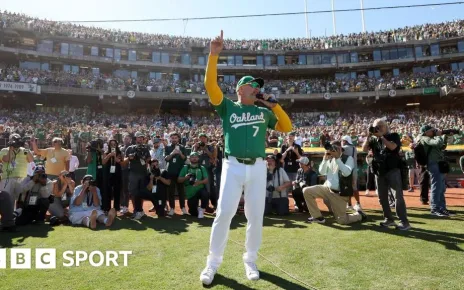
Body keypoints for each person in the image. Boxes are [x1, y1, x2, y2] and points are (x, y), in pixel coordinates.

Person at [199, 30, 292, 286]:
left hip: (258, 167)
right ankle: (212, 263)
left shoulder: (264, 113)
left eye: (259, 87)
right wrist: (213, 56)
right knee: (224, 214)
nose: (258, 89)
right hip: (233, 165)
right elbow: (210, 86)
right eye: (254, 85)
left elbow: (286, 128)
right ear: (241, 89)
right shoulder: (228, 106)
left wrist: (275, 106)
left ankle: (250, 259)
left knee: (255, 215)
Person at [362, 119, 411, 230]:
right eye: (376, 127)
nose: (378, 128)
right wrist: (368, 136)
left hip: (393, 169)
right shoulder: (373, 139)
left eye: (380, 126)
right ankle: (389, 219)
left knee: (397, 196)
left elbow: (393, 147)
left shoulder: (394, 135)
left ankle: (404, 222)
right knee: (382, 197)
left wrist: (381, 137)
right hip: (379, 171)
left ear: (386, 126)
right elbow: (364, 149)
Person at [303, 141, 367, 225]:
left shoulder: (348, 158)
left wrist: (337, 159)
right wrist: (325, 159)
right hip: (327, 189)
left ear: (340, 148)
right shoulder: (330, 158)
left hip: (339, 194)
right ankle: (318, 217)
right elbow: (321, 172)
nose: (332, 151)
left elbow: (346, 173)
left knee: (342, 220)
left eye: (334, 149)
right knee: (307, 191)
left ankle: (359, 215)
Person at [418, 125, 455, 217]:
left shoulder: (432, 138)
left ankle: (442, 208)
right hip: (433, 164)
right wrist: (439, 135)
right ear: (426, 132)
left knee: (441, 187)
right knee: (436, 186)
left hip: (438, 163)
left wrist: (446, 136)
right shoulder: (424, 138)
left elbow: (442, 146)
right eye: (432, 130)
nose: (434, 131)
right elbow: (437, 143)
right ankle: (434, 208)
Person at [0, 133, 34, 208]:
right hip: (8, 179)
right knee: (7, 199)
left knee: (21, 199)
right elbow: (7, 159)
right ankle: (8, 216)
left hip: (22, 178)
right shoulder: (4, 150)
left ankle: (19, 216)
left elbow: (31, 160)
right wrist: (10, 149)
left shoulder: (24, 150)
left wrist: (27, 149)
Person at [123, 132, 151, 218]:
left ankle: (140, 210)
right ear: (136, 139)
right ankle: (136, 210)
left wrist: (145, 160)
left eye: (142, 138)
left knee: (141, 192)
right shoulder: (130, 148)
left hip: (143, 173)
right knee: (133, 193)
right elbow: (124, 161)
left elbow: (149, 158)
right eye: (139, 138)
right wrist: (129, 158)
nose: (140, 139)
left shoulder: (146, 148)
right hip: (133, 173)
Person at [178, 152, 209, 218]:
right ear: (189, 159)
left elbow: (206, 180)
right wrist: (186, 178)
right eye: (192, 157)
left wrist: (199, 182)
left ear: (198, 158)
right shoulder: (185, 168)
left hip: (199, 189)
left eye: (196, 157)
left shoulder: (202, 168)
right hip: (190, 193)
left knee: (205, 194)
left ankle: (202, 208)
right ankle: (196, 209)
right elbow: (179, 180)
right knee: (193, 213)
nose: (194, 158)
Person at [164, 132, 187, 216]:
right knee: (171, 191)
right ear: (170, 139)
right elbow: (166, 159)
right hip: (170, 172)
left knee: (181, 191)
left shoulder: (182, 147)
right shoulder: (167, 147)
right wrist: (173, 153)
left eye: (175, 138)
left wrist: (179, 153)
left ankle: (183, 208)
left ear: (178, 139)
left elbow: (185, 158)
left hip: (180, 172)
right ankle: (172, 208)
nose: (174, 139)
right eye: (172, 138)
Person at [193, 133, 217, 211]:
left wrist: (205, 149)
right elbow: (192, 156)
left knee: (208, 188)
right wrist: (196, 148)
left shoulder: (210, 147)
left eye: (204, 138)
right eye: (201, 138)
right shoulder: (196, 146)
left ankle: (206, 205)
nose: (202, 140)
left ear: (206, 139)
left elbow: (213, 157)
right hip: (198, 170)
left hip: (208, 169)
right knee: (197, 187)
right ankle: (197, 205)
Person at [102, 139, 123, 213]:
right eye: (111, 144)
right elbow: (103, 162)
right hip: (108, 172)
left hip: (117, 172)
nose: (113, 146)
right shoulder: (106, 152)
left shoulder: (119, 152)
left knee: (117, 190)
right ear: (109, 145)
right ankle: (107, 208)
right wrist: (109, 155)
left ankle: (116, 208)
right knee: (108, 190)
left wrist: (115, 156)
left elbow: (120, 162)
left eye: (114, 144)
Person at [342, 136, 362, 211]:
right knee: (353, 187)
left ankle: (351, 204)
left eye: (343, 140)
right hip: (353, 170)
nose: (342, 142)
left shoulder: (344, 148)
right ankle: (356, 203)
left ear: (346, 141)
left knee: (349, 188)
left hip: (347, 171)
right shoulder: (354, 148)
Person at [119, 134, 132, 214]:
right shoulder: (121, 148)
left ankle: (125, 206)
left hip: (128, 170)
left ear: (130, 140)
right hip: (120, 170)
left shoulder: (132, 148)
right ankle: (121, 205)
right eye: (125, 139)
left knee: (126, 189)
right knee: (120, 188)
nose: (126, 140)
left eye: (127, 139)